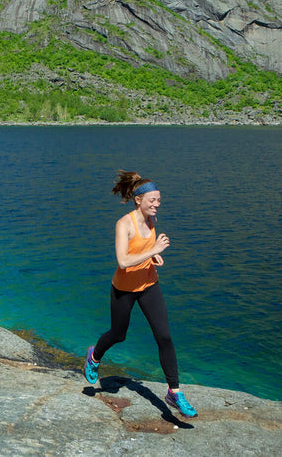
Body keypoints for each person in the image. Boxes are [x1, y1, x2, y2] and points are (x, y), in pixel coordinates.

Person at [83, 170, 197, 418]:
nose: (158, 204)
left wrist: (154, 255)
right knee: (118, 334)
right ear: (138, 200)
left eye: (159, 199)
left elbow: (143, 249)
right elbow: (123, 261)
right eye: (153, 200)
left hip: (149, 285)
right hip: (123, 289)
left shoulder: (151, 220)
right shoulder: (124, 224)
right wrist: (152, 249)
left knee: (164, 337)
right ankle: (95, 355)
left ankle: (174, 392)